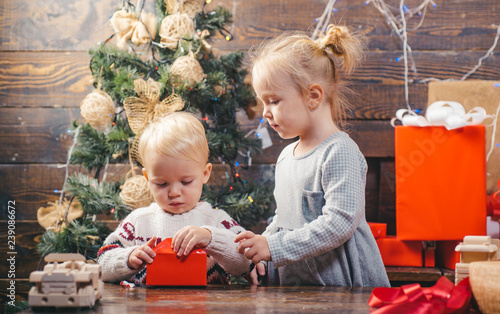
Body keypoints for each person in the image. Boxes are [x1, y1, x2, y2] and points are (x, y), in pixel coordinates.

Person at [235, 24, 390, 287]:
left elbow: (339, 223)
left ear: (313, 96)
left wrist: (273, 247)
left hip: (344, 290)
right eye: (263, 102)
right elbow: (283, 221)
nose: (265, 112)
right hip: (299, 288)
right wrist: (261, 251)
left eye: (273, 100)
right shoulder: (286, 157)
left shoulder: (339, 151)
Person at [98, 111, 253, 285]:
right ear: (148, 178)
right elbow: (102, 263)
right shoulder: (138, 221)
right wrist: (128, 258)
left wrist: (211, 238)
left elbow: (248, 262)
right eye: (161, 184)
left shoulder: (217, 221)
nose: (174, 193)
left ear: (205, 173)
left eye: (186, 182)